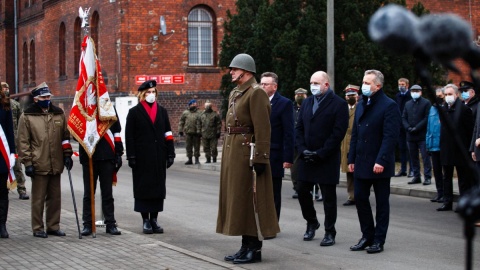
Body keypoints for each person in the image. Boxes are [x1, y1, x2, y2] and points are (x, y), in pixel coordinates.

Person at [217, 53, 279, 264]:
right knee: (240, 201)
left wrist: (261, 158)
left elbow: (263, 129)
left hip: (248, 155)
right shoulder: (236, 92)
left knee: (252, 200)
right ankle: (245, 246)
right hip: (234, 152)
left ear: (246, 71)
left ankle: (254, 247)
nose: (232, 72)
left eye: (235, 69)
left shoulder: (256, 93)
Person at [348, 70, 401, 254]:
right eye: (363, 81)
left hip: (379, 163)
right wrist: (351, 158)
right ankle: (366, 235)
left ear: (378, 86)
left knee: (381, 204)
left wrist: (381, 160)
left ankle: (378, 240)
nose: (364, 85)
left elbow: (390, 137)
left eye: (368, 83)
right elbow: (355, 134)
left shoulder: (389, 106)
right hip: (361, 161)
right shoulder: (362, 103)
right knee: (360, 199)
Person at [296, 71, 348, 247]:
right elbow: (299, 128)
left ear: (326, 84)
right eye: (311, 82)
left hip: (326, 158)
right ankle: (311, 222)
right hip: (306, 157)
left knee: (328, 197)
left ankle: (329, 231)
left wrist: (321, 153)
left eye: (316, 83)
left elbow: (338, 133)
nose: (313, 86)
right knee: (302, 190)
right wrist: (302, 150)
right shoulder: (307, 102)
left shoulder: (339, 104)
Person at [18, 82, 73, 238]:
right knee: (38, 199)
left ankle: (53, 226)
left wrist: (67, 155)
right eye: (43, 97)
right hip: (38, 163)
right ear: (36, 99)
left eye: (48, 96)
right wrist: (27, 163)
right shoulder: (27, 116)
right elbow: (23, 142)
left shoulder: (58, 114)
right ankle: (37, 227)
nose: (47, 99)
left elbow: (65, 137)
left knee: (55, 198)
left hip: (56, 163)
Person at [125, 79, 175, 234]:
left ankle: (154, 219)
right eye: (148, 92)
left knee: (158, 189)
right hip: (142, 158)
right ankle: (145, 220)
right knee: (143, 188)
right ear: (142, 94)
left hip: (158, 156)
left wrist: (170, 153)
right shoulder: (134, 112)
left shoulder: (162, 111)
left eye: (153, 92)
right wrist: (131, 156)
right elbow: (129, 136)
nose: (151, 95)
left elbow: (168, 133)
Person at [79, 109, 123, 236]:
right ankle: (87, 224)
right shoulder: (83, 106)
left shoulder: (108, 106)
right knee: (89, 193)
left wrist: (119, 152)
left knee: (107, 193)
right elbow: (76, 131)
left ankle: (110, 223)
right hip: (89, 156)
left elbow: (116, 131)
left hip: (107, 155)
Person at [260, 72, 294, 220]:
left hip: (275, 154)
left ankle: (272, 224)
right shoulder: (257, 101)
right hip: (258, 153)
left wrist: (288, 157)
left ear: (274, 87)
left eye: (265, 84)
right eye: (261, 84)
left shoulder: (284, 103)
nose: (262, 87)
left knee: (273, 192)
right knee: (260, 190)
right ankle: (260, 221)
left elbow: (288, 132)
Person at [437, 84, 474, 211]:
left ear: (456, 95)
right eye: (446, 95)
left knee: (462, 178)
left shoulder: (464, 109)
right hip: (446, 148)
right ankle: (447, 202)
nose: (448, 97)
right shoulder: (443, 109)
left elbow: (470, 130)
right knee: (446, 176)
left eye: (450, 94)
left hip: (460, 149)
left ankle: (462, 203)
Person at [1, 82, 29, 200]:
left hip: (14, 139)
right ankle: (6, 187)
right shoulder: (2, 104)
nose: (6, 89)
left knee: (16, 165)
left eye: (7, 87)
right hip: (3, 139)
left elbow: (21, 121)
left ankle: (21, 189)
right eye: (3, 88)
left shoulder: (15, 105)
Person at [402, 85, 432, 185]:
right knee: (413, 157)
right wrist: (408, 127)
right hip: (410, 135)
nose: (415, 92)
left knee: (425, 157)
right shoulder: (408, 104)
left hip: (422, 135)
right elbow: (403, 117)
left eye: (417, 91)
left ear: (421, 92)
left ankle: (427, 176)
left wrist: (417, 127)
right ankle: (416, 176)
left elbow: (426, 117)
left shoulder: (426, 103)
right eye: (413, 91)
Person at [0, 84, 15, 238]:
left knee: (2, 193)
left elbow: (10, 131)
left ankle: (2, 225)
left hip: (1, 156)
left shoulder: (4, 105)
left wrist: (12, 152)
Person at [341, 84, 359, 206]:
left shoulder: (361, 108)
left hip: (357, 140)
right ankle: (351, 195)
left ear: (357, 96)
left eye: (352, 95)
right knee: (349, 171)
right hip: (344, 141)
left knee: (358, 170)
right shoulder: (343, 108)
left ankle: (360, 195)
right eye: (348, 95)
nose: (350, 97)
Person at [426, 88, 445, 203]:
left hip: (443, 145)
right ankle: (439, 193)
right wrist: (428, 144)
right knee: (437, 172)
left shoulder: (445, 109)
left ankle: (446, 195)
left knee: (445, 173)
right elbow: (429, 128)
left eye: (440, 95)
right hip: (433, 145)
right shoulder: (432, 108)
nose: (438, 97)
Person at [395, 78, 413, 177]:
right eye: (399, 84)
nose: (401, 86)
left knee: (409, 148)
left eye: (403, 84)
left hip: (408, 125)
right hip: (400, 126)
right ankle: (403, 169)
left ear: (407, 85)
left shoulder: (410, 96)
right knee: (402, 148)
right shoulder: (397, 96)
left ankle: (412, 169)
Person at [291, 88, 307, 199]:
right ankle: (296, 187)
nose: (299, 96)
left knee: (308, 165)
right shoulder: (292, 109)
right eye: (298, 94)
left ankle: (311, 188)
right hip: (294, 142)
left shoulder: (309, 107)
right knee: (295, 167)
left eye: (302, 95)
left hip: (306, 141)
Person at [178, 99, 201, 165]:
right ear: (190, 105)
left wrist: (201, 131)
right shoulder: (185, 113)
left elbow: (202, 122)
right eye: (193, 104)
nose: (194, 105)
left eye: (195, 104)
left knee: (197, 146)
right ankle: (189, 159)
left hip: (196, 132)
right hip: (188, 132)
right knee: (188, 146)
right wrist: (180, 130)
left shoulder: (199, 113)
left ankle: (197, 159)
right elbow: (181, 122)